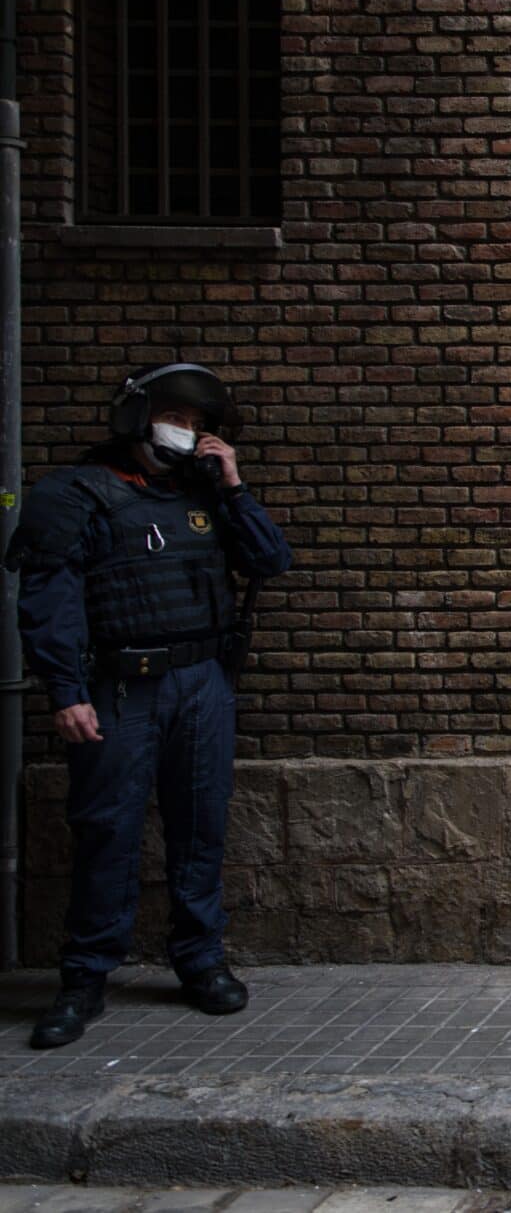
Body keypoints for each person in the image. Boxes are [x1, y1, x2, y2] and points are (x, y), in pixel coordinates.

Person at [3, 363, 292, 1048]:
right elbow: (49, 602)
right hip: (120, 686)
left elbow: (270, 558)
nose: (186, 432)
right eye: (176, 418)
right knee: (107, 831)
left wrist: (235, 485)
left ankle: (199, 961)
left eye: (196, 424)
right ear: (137, 416)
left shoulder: (206, 493)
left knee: (200, 827)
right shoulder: (76, 495)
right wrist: (65, 693)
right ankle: (84, 979)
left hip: (200, 684)